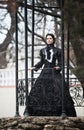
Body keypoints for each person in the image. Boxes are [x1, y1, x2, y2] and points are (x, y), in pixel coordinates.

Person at [28, 33, 76, 116]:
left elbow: (61, 62)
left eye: (50, 38)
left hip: (54, 72)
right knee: (40, 90)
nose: (49, 40)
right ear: (46, 40)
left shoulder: (58, 50)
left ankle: (61, 112)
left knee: (58, 89)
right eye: (47, 38)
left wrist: (59, 67)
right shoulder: (42, 50)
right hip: (45, 72)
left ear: (53, 39)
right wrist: (35, 67)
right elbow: (42, 62)